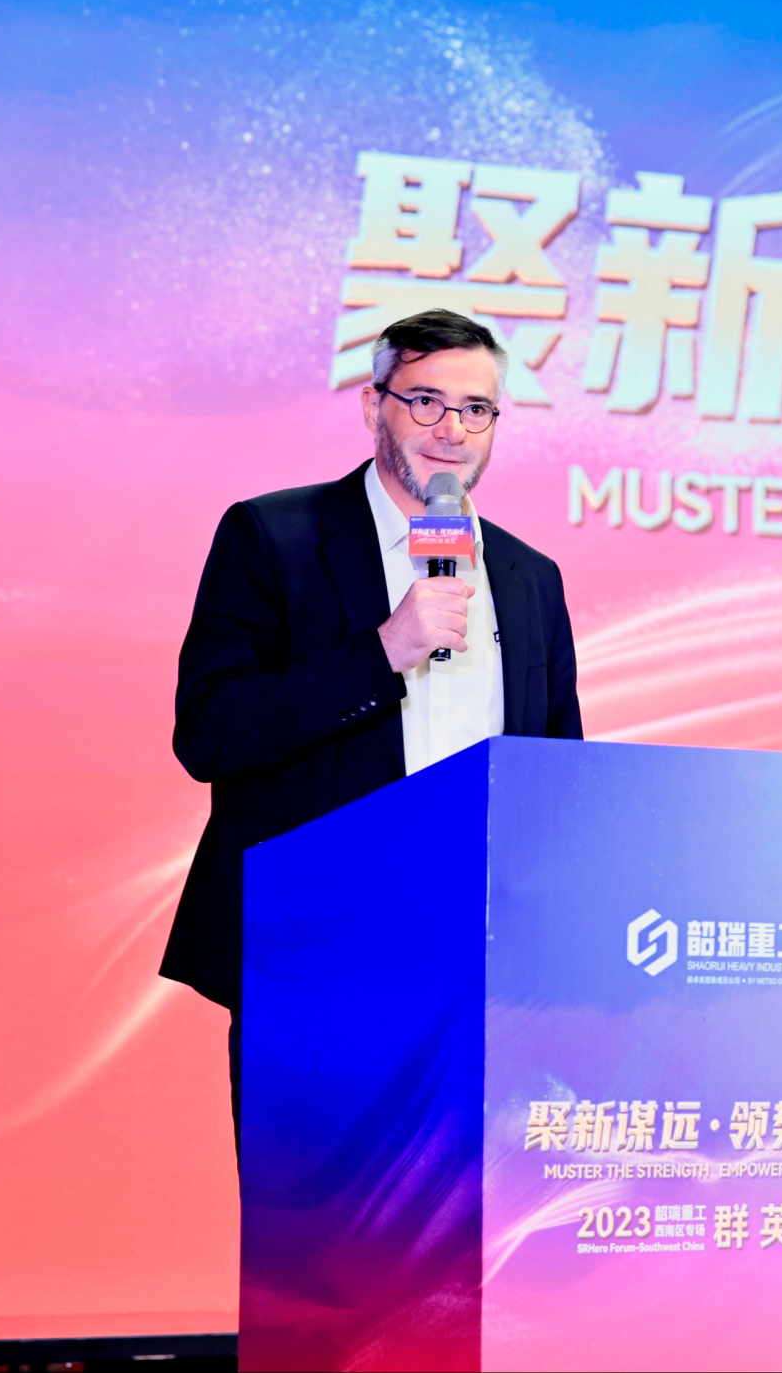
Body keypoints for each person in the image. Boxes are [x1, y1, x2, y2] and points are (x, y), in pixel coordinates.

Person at [159, 308, 581, 1135]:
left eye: (476, 408)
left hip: (476, 967)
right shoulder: (273, 537)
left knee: (457, 1209)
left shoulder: (530, 577)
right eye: (426, 401)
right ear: (372, 404)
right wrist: (383, 650)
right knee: (317, 1213)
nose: (452, 429)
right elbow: (209, 730)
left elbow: (558, 776)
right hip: (313, 950)